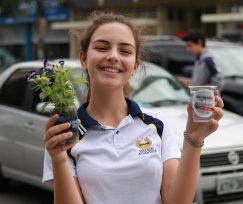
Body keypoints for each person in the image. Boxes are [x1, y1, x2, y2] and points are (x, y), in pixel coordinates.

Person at [42, 12, 224, 204]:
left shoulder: (157, 125)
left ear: (135, 66)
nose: (113, 56)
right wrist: (59, 158)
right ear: (84, 59)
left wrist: (194, 140)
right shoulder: (66, 135)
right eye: (102, 47)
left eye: (125, 51)